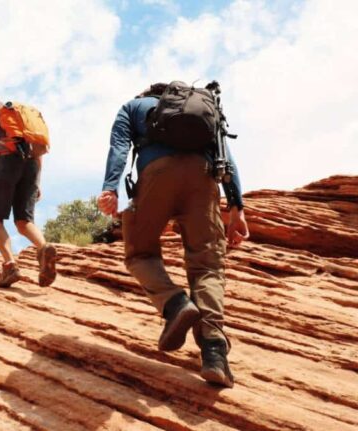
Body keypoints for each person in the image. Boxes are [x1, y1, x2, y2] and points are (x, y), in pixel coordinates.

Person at [97, 83, 249, 388]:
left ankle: (176, 304)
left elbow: (119, 147)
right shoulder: (207, 110)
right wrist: (236, 207)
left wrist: (110, 187)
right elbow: (226, 157)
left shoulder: (134, 107)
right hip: (203, 178)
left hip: (157, 174)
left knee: (140, 254)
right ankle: (215, 354)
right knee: (207, 266)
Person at [0, 97, 57, 288]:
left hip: (5, 162)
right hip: (31, 166)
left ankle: (10, 266)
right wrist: (36, 183)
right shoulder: (20, 119)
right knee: (24, 222)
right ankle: (44, 248)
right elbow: (37, 152)